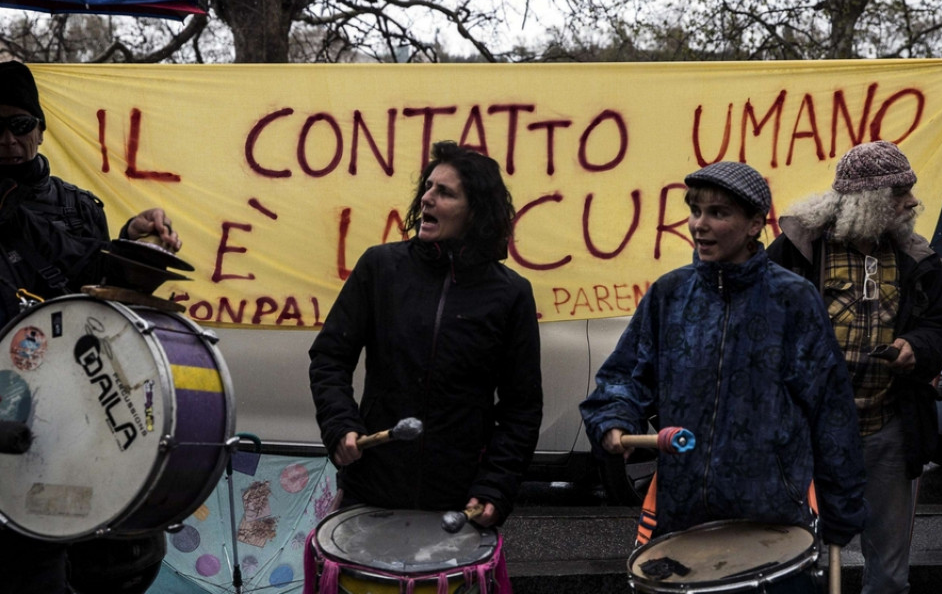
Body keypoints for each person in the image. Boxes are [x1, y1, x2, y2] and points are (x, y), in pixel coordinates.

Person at [580, 161, 867, 590]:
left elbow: (831, 412)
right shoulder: (669, 294)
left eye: (718, 213)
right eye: (695, 210)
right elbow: (623, 378)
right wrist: (614, 422)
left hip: (771, 524)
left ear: (755, 224)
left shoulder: (794, 300)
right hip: (683, 521)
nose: (700, 224)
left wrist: (841, 512)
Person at [0, 60, 181, 593]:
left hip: (61, 434)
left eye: (19, 125)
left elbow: (95, 302)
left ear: (39, 129)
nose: (8, 140)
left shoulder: (78, 209)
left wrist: (132, 243)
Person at [308, 140, 543, 529]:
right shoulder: (380, 267)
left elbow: (521, 407)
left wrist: (496, 487)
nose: (427, 199)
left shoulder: (510, 293)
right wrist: (340, 424)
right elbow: (330, 357)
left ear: (476, 212)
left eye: (445, 192)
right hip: (371, 487)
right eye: (428, 188)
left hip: (454, 496)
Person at [767, 140, 942, 594]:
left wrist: (916, 347)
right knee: (792, 560)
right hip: (806, 432)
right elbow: (763, 326)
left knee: (889, 574)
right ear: (865, 201)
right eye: (898, 193)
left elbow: (939, 329)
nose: (911, 201)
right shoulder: (798, 250)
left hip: (887, 427)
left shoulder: (917, 258)